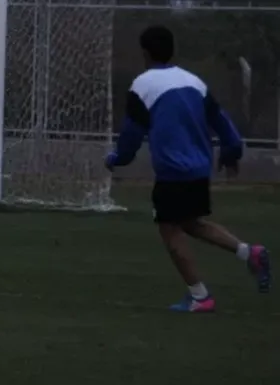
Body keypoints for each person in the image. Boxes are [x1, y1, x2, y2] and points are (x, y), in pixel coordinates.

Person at [105, 25, 271, 312]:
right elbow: (221, 119)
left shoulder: (142, 86)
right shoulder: (194, 81)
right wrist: (232, 149)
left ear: (144, 53)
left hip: (173, 171)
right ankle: (250, 253)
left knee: (169, 230)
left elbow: (131, 137)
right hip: (198, 169)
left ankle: (199, 296)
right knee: (191, 223)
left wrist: (116, 159)